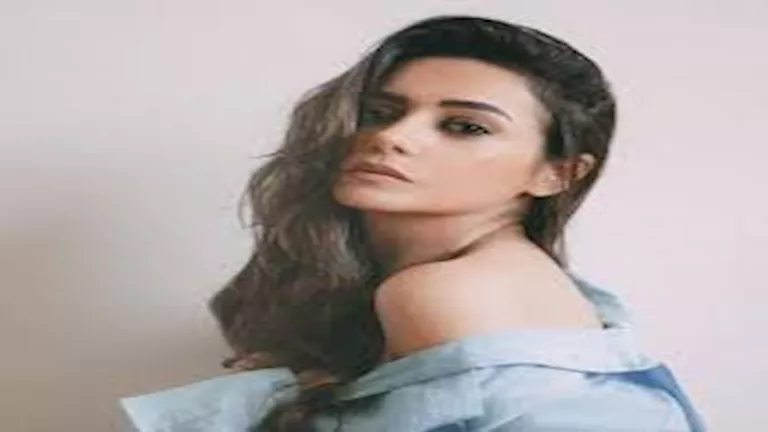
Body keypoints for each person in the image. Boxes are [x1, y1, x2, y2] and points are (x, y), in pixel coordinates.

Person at [119, 15, 706, 431]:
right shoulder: (505, 274)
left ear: (557, 173)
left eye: (465, 126)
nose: (391, 137)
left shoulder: (441, 294)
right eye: (379, 112)